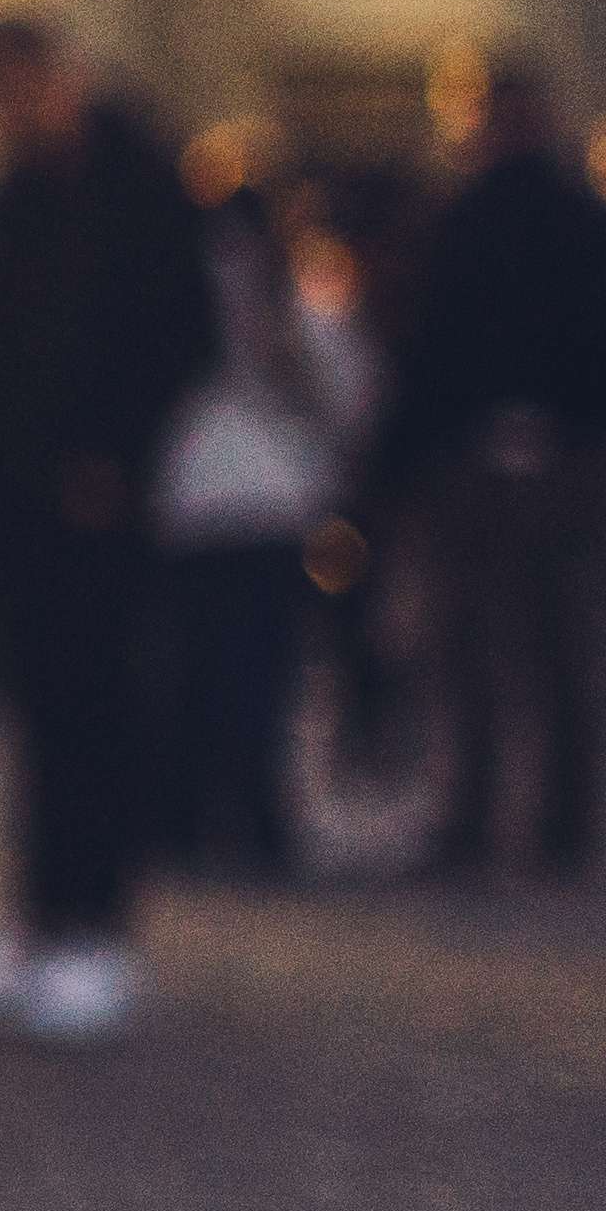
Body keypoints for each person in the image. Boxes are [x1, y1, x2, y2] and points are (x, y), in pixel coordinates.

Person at [0, 8, 217, 1044]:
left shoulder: (141, 179)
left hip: (101, 499)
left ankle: (96, 933)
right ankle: (36, 919)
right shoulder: (9, 190)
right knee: (38, 720)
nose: (1, 115)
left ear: (56, 72)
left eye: (10, 89)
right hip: (17, 500)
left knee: (98, 714)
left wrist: (114, 455)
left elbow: (185, 334)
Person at [373, 58, 606, 881]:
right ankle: (559, 823)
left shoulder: (457, 219)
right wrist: (597, 427)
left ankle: (476, 818)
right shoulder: (593, 222)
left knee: (479, 642)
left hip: (480, 458)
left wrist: (398, 465)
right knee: (554, 640)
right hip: (562, 456)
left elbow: (421, 350)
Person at [148, 144, 366, 879]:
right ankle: (257, 813)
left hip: (188, 497)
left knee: (193, 664)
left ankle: (181, 810)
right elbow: (350, 392)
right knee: (264, 670)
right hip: (272, 501)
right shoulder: (292, 291)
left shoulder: (173, 283)